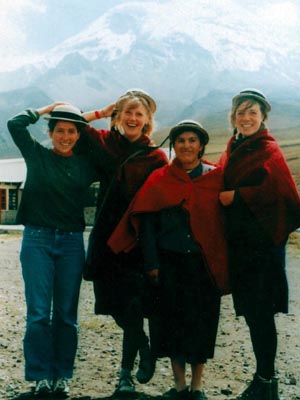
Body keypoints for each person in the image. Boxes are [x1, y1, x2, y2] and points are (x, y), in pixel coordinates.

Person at [108, 120, 230, 400]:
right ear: (173, 147)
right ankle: (179, 386)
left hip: (203, 265)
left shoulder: (215, 177)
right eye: (180, 141)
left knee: (202, 323)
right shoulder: (160, 179)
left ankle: (197, 386)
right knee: (171, 323)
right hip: (169, 264)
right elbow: (147, 225)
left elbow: (224, 225)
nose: (186, 145)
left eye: (192, 140)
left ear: (201, 146)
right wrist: (152, 263)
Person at [7, 103, 100, 398]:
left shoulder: (86, 164)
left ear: (78, 135)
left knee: (66, 314)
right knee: (37, 313)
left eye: (72, 131)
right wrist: (50, 108)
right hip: (37, 240)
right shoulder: (37, 156)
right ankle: (39, 378)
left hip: (72, 243)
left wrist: (98, 115)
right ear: (50, 133)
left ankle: (62, 376)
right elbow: (15, 124)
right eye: (59, 130)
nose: (65, 136)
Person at [80, 89, 169, 394]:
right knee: (113, 304)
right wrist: (101, 112)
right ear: (118, 117)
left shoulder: (156, 157)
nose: (133, 118)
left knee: (132, 307)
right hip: (106, 238)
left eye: (139, 114)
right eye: (127, 112)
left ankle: (124, 375)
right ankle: (143, 343)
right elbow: (71, 125)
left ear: (147, 121)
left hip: (137, 241)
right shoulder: (104, 144)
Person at [218, 89, 300, 400]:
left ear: (263, 116)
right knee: (253, 313)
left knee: (261, 312)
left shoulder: (268, 149)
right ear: (233, 117)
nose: (246, 118)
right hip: (242, 245)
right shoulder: (234, 146)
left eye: (253, 112)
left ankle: (267, 381)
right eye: (241, 112)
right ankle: (263, 378)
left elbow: (278, 191)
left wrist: (238, 196)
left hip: (263, 246)